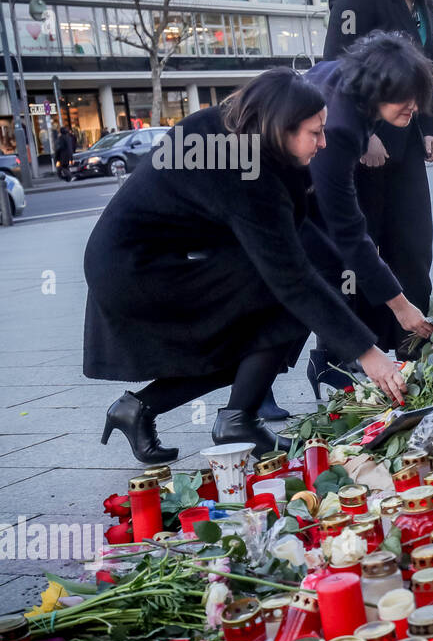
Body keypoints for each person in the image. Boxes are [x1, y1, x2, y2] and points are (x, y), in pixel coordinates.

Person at [84, 68, 408, 463]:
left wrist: (377, 293)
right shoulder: (244, 171)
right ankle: (237, 419)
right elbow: (293, 277)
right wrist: (367, 351)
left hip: (158, 257)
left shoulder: (248, 137)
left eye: (325, 130)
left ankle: (143, 409)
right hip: (137, 270)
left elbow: (306, 238)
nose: (323, 143)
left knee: (256, 337)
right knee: (277, 310)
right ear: (280, 127)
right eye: (314, 132)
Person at [323, 0, 433, 370]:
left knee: (413, 244)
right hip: (362, 147)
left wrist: (429, 127)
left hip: (408, 142)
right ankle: (347, 352)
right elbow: (336, 64)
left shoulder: (425, 3)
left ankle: (410, 344)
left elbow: (424, 72)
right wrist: (365, 134)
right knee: (363, 248)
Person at [301, 31, 433, 398]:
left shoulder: (347, 83)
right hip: (254, 193)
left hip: (294, 194)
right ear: (378, 88)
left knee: (326, 273)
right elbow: (348, 230)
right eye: (405, 98)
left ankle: (328, 359)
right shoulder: (340, 127)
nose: (414, 107)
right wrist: (402, 307)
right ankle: (243, 407)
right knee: (302, 283)